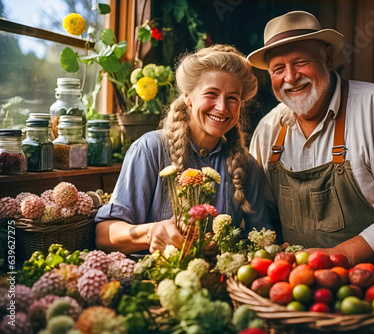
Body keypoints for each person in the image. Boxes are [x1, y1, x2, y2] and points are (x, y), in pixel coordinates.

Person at [248, 11, 374, 297]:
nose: (290, 77)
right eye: (278, 68)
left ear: (327, 58)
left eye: (301, 62)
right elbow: (261, 214)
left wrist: (343, 256)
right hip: (306, 298)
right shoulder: (268, 129)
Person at [95, 44, 274, 255]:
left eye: (232, 98)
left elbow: (263, 239)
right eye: (211, 93)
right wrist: (151, 232)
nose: (222, 107)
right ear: (188, 96)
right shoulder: (150, 149)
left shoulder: (246, 165)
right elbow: (103, 235)